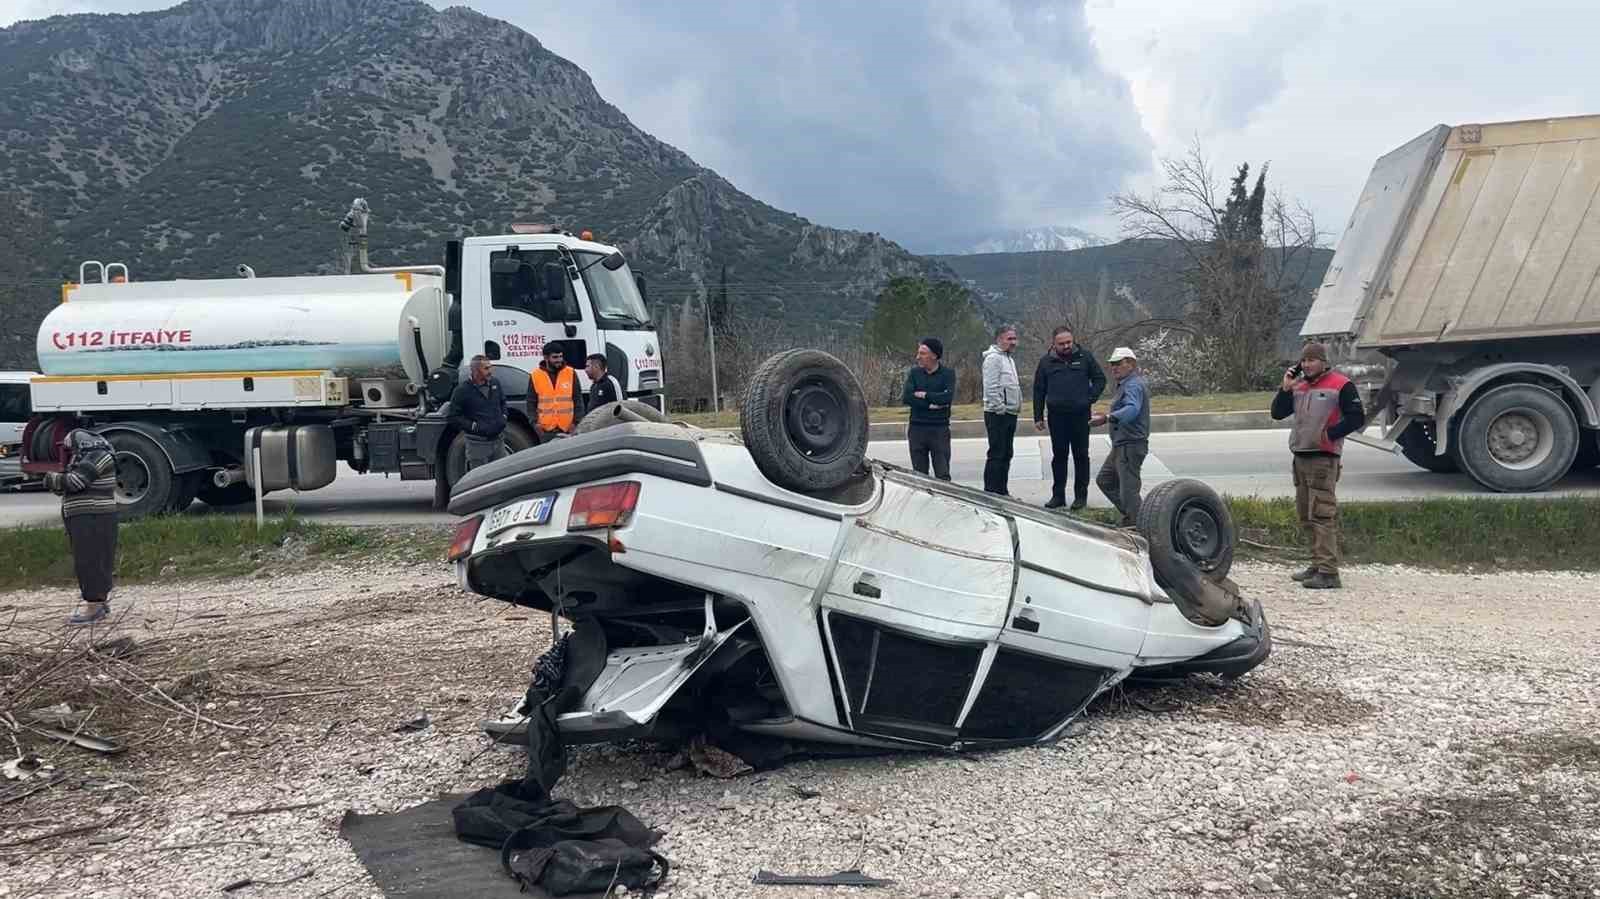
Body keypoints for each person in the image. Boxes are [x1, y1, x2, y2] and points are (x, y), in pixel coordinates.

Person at [1270, 342, 1366, 590]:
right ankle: (1316, 564)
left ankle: (1329, 571)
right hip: (1301, 456)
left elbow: (1357, 417)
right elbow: (1277, 413)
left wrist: (1330, 435)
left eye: (1312, 360)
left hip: (1323, 458)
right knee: (1306, 514)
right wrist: (1285, 388)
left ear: (1323, 361)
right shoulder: (1299, 385)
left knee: (1322, 514)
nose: (1306, 365)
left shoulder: (1341, 385)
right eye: (1303, 361)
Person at [43, 429, 118, 625]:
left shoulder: (99, 457)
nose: (70, 451)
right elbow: (65, 486)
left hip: (93, 516)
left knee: (91, 561)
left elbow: (75, 481)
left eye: (70, 447)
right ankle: (99, 603)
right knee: (90, 560)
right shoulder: (88, 458)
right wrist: (61, 481)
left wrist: (50, 478)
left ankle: (94, 607)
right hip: (86, 517)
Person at [1032, 326, 1106, 510]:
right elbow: (1038, 390)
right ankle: (1058, 496)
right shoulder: (1046, 362)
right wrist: (1038, 416)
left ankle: (1081, 497)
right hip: (1057, 417)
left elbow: (1100, 379)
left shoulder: (1085, 357)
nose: (1066, 346)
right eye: (1062, 343)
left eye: (1069, 342)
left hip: (1081, 416)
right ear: (1053, 344)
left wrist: (1090, 398)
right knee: (1059, 456)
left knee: (1081, 456)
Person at [1091, 347, 1150, 527]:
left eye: (1118, 364)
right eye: (1112, 365)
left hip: (1131, 445)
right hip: (1121, 444)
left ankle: (1142, 526)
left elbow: (1132, 410)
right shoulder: (1126, 384)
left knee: (1129, 492)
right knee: (1105, 480)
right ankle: (1132, 517)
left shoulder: (1133, 385)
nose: (1114, 368)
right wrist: (1107, 414)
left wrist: (1108, 418)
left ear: (1131, 364)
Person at [901, 337, 956, 480]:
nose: (918, 357)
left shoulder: (948, 374)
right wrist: (930, 404)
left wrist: (925, 394)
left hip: (939, 430)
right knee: (919, 476)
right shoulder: (915, 374)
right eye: (918, 353)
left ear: (934, 355)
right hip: (917, 429)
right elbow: (907, 397)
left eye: (922, 353)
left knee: (943, 474)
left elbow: (947, 398)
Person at [448, 355, 509, 471]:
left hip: (498, 442)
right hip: (477, 445)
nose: (490, 371)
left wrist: (504, 417)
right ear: (475, 371)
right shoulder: (462, 390)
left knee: (501, 476)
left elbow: (503, 402)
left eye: (490, 367)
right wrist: (473, 426)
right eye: (486, 368)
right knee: (480, 480)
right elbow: (453, 417)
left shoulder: (495, 383)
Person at [980, 325, 1022, 495]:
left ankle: (1002, 492)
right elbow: (990, 387)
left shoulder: (1008, 359)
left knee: (1006, 453)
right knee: (997, 454)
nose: (1013, 342)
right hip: (997, 414)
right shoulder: (993, 359)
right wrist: (1000, 408)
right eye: (1009, 339)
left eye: (1014, 339)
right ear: (999, 339)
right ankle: (991, 493)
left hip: (1010, 413)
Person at [530, 343, 582, 442]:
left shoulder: (570, 373)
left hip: (568, 429)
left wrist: (576, 423)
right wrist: (535, 423)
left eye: (560, 356)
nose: (559, 360)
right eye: (555, 357)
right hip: (546, 431)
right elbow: (531, 402)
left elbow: (578, 400)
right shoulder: (535, 375)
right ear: (546, 357)